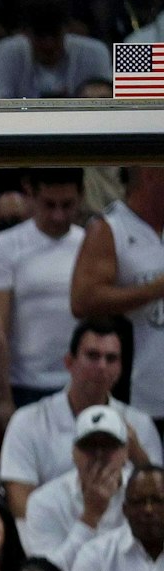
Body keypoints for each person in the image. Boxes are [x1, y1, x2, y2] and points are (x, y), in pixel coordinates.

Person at [0, 319, 160, 512]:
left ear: (120, 369)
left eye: (111, 359)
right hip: (50, 535)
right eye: (93, 356)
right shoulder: (28, 420)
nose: (102, 366)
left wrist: (137, 455)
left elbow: (158, 502)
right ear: (69, 362)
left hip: (122, 536)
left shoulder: (140, 423)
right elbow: (20, 504)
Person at [0, 168, 85, 435]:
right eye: (49, 204)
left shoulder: (90, 243)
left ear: (81, 197)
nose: (58, 215)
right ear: (30, 194)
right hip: (24, 386)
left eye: (67, 205)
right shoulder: (2, 248)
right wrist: (3, 400)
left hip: (81, 383)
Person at [69, 165, 164, 420]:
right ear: (151, 174)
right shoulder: (110, 229)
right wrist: (153, 289)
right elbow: (82, 300)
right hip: (139, 394)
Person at [22, 405, 133, 571]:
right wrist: (90, 518)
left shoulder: (147, 495)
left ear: (125, 453)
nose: (99, 455)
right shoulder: (44, 501)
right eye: (89, 446)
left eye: (108, 446)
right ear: (73, 453)